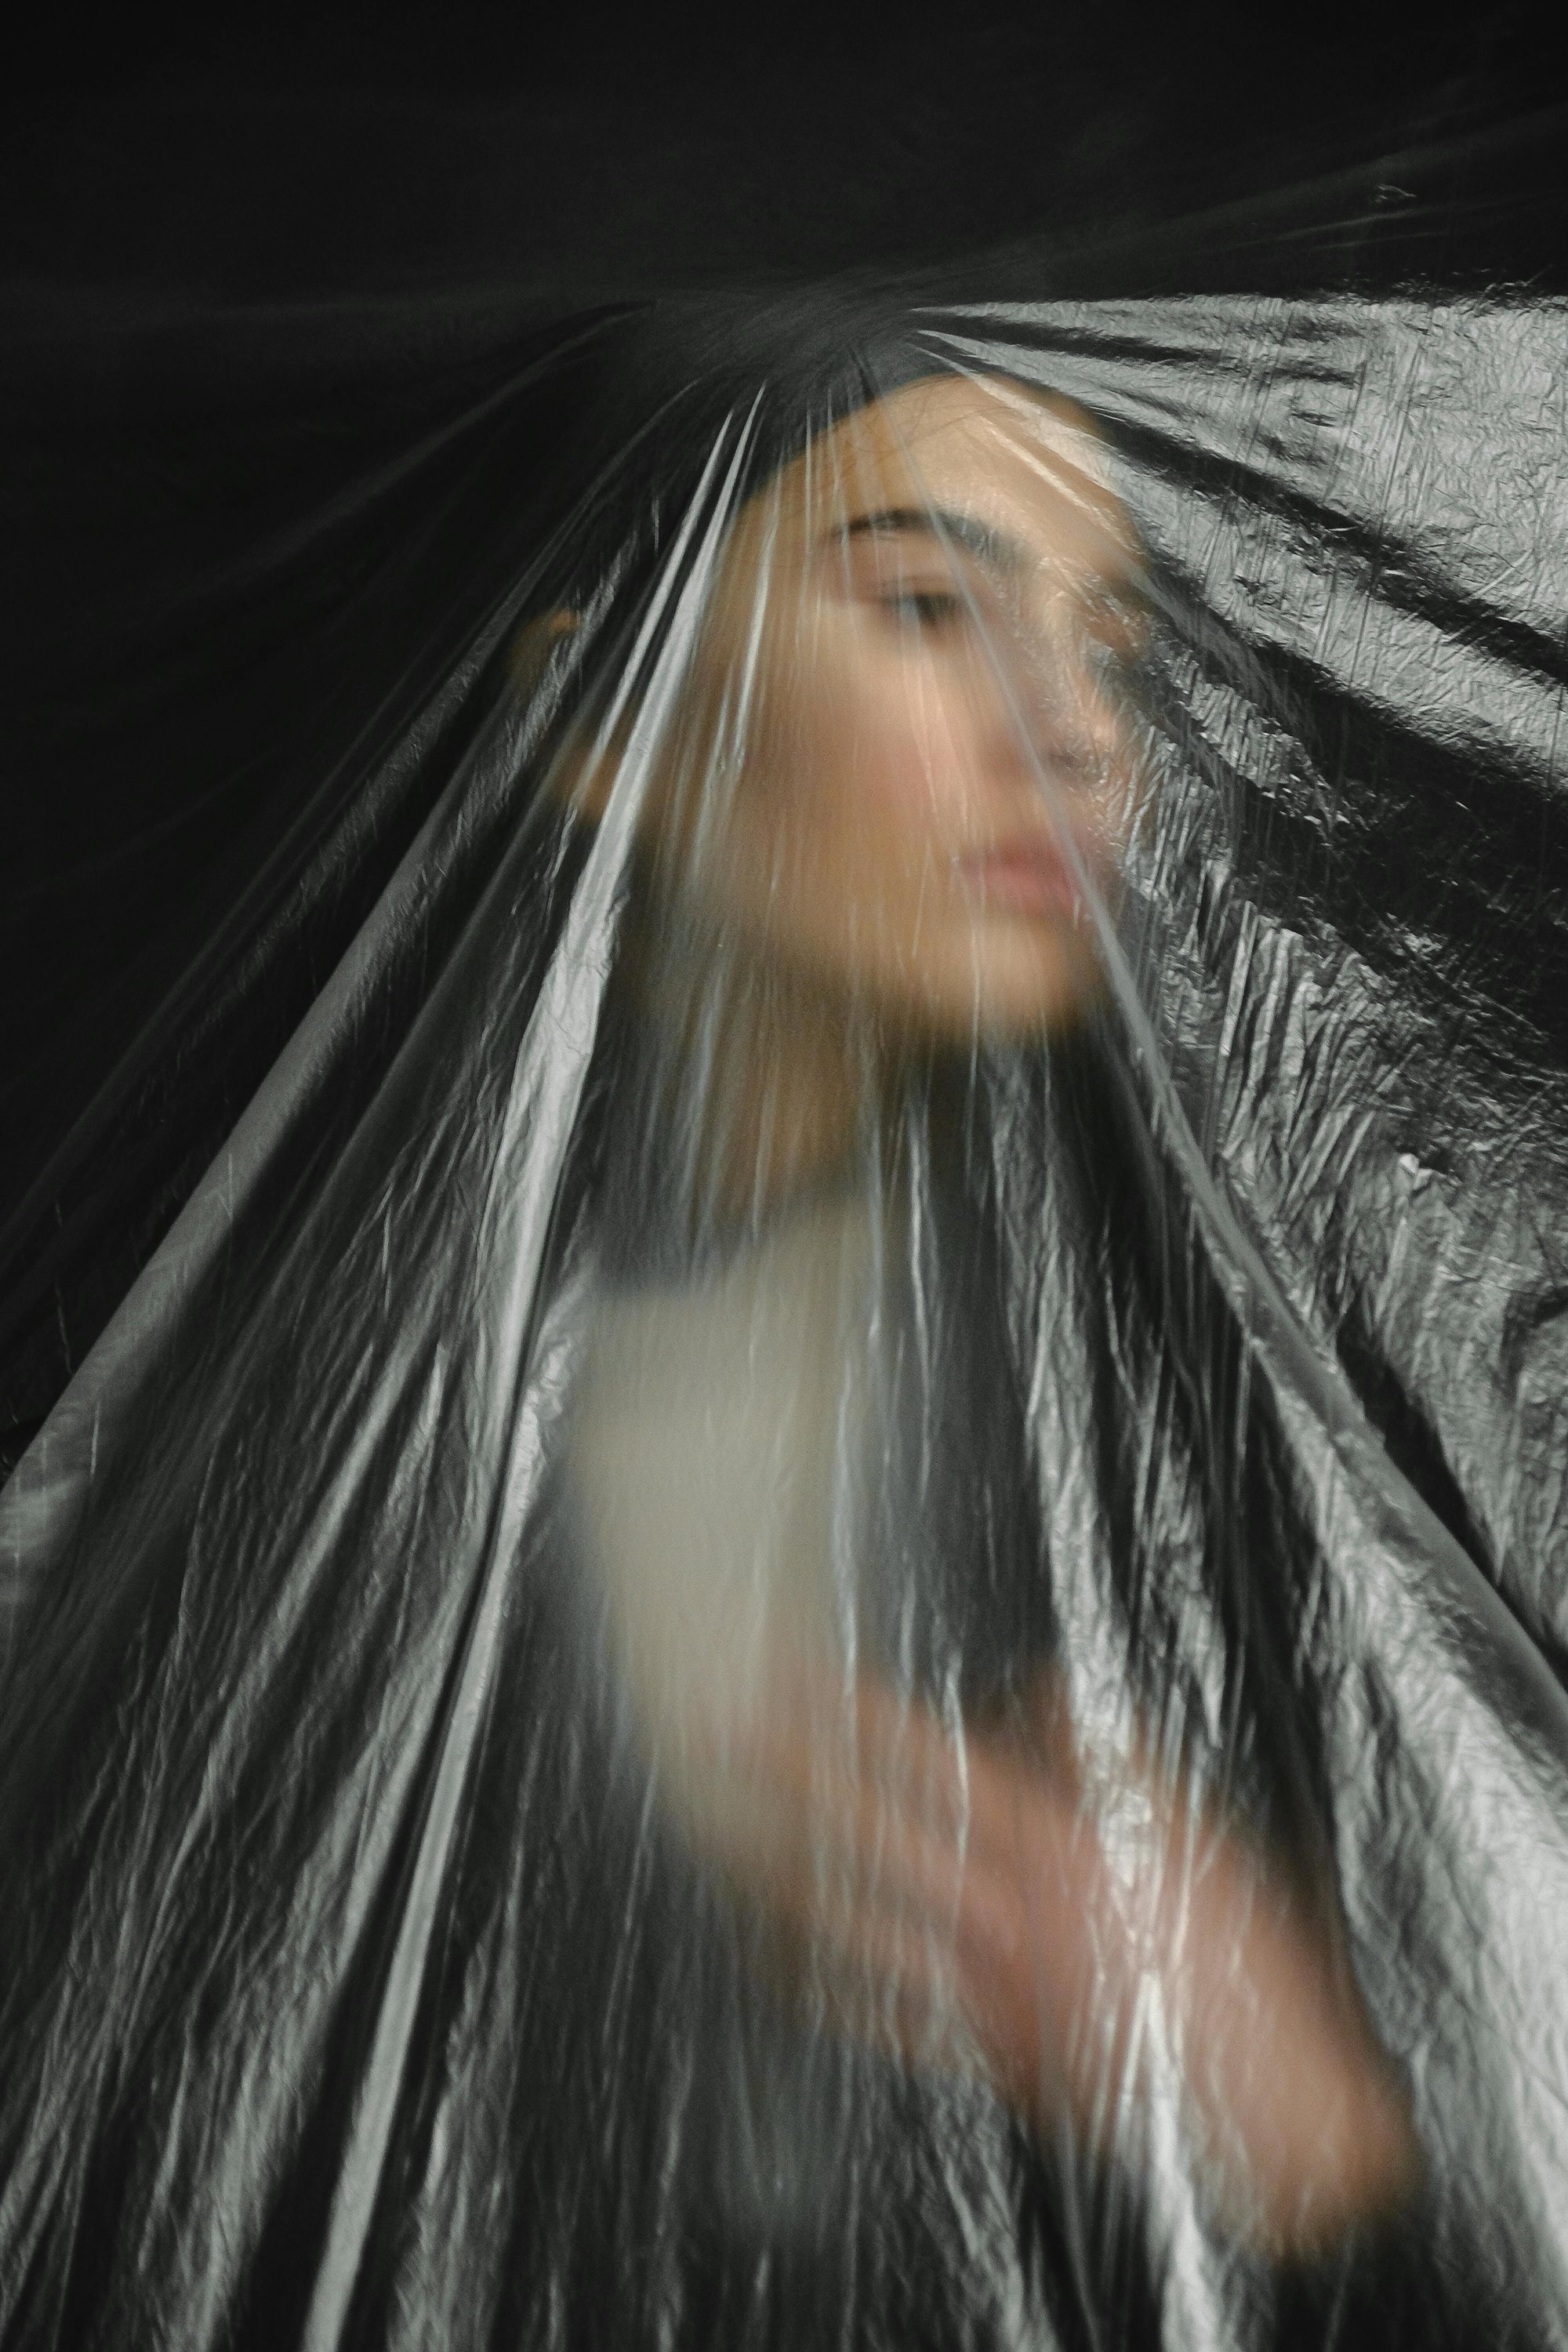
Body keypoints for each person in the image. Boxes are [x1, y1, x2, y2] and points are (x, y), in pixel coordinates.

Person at [0, 296, 1446, 2352]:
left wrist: (1310, 2137)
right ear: (608, 710)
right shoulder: (273, 1424)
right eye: (931, 609)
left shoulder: (1233, 1422)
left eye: (1115, 644)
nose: (1077, 734)